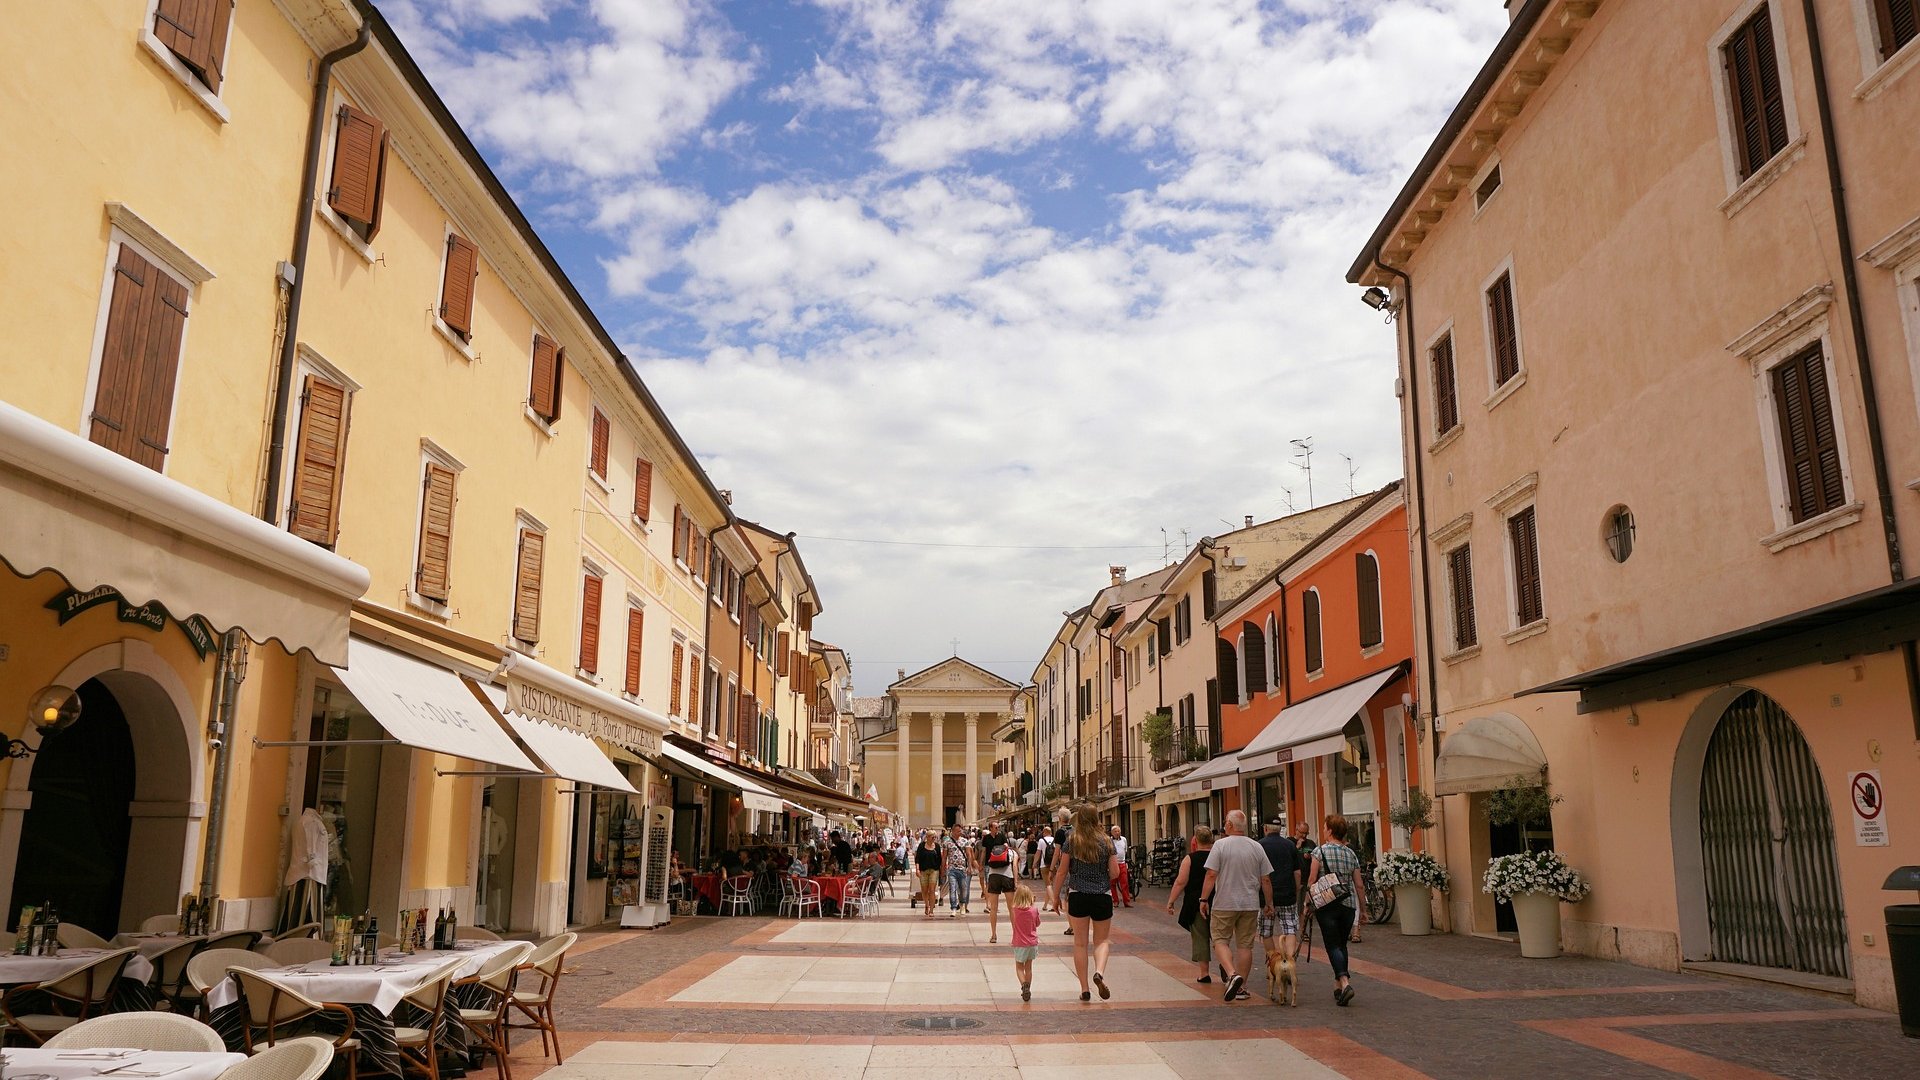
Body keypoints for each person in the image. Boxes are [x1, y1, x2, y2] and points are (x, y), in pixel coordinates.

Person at [1199, 809, 1274, 1003]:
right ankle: (1242, 987)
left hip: (1225, 902)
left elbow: (1211, 875)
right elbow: (1265, 879)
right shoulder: (1256, 847)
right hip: (1250, 903)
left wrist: (1204, 899)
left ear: (1230, 825)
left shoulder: (1220, 846)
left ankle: (1232, 975)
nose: (1224, 824)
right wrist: (1269, 903)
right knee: (1245, 945)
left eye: (1225, 821)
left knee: (1220, 940)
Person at [1050, 803, 1119, 1002]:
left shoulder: (1072, 840)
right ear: (1097, 818)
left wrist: (1055, 897)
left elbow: (1062, 871)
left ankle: (1085, 988)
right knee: (1102, 940)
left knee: (1080, 943)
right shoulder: (1106, 841)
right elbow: (1115, 872)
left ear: (1078, 819)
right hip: (1102, 895)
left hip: (1078, 894)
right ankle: (1099, 972)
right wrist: (1102, 876)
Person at [1307, 814, 1364, 1006]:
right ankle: (1338, 986)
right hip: (1348, 906)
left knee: (1332, 945)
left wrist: (1308, 903)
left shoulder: (1319, 852)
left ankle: (1345, 982)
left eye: (1324, 828)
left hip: (1327, 905)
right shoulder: (1351, 853)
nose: (1323, 831)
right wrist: (1363, 910)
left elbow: (1312, 880)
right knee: (1341, 945)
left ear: (1330, 830)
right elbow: (1359, 885)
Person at [1256, 816, 1304, 1003]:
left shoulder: (1259, 845)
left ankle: (1273, 965)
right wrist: (1297, 888)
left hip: (1267, 897)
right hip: (1287, 894)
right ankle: (1289, 962)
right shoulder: (1290, 846)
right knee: (1290, 928)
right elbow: (1297, 872)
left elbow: (1258, 873)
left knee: (1266, 931)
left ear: (1266, 829)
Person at [1165, 825, 1215, 984]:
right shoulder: (1218, 856)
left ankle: (1204, 973)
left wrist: (1171, 901)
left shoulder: (1190, 859)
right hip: (1219, 901)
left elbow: (1180, 882)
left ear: (1195, 840)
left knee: (1200, 936)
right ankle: (1227, 970)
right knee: (1220, 938)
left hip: (1196, 903)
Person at [982, 826, 1017, 943]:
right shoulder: (1012, 852)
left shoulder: (993, 851)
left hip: (993, 876)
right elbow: (1015, 867)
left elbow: (985, 856)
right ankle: (1015, 934)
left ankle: (993, 935)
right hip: (1008, 877)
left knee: (993, 909)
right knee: (1011, 908)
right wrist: (1015, 882)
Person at [1010, 884, 1041, 1002]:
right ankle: (1028, 985)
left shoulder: (1015, 910)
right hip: (1032, 943)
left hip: (1019, 943)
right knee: (1028, 968)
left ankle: (1024, 985)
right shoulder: (1034, 910)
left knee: (1019, 967)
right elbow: (1037, 923)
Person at [943, 823, 971, 917]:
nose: (960, 832)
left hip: (962, 869)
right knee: (952, 888)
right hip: (952, 869)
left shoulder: (965, 841)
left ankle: (962, 905)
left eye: (961, 830)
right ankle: (953, 908)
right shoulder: (947, 842)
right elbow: (944, 857)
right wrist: (943, 869)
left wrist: (969, 867)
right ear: (953, 831)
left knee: (963, 889)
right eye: (958, 831)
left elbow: (968, 855)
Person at [914, 831, 942, 919]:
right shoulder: (922, 846)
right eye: (932, 837)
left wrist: (941, 870)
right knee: (924, 890)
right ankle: (926, 904)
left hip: (934, 870)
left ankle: (931, 910)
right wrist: (917, 869)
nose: (934, 839)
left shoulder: (937, 846)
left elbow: (939, 859)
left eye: (935, 837)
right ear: (928, 837)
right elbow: (917, 858)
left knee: (932, 890)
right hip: (923, 870)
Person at [1108, 825, 1133, 907]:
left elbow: (1125, 850)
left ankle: (1127, 901)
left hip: (1122, 863)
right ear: (1112, 833)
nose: (1117, 833)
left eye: (1118, 831)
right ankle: (1115, 901)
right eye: (1115, 831)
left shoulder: (1124, 839)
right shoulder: (1109, 841)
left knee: (1124, 883)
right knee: (1112, 884)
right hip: (1113, 864)